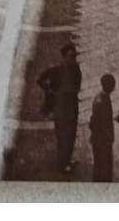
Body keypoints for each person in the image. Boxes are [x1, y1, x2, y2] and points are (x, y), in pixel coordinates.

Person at [37, 43, 83, 173]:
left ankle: (67, 161)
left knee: (71, 135)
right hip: (61, 108)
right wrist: (50, 91)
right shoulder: (56, 71)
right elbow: (40, 80)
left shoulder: (76, 69)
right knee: (63, 136)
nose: (72, 59)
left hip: (72, 106)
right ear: (64, 57)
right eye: (70, 56)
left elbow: (78, 86)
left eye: (74, 56)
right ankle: (62, 165)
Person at [89, 73, 116, 183]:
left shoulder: (98, 98)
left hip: (99, 138)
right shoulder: (102, 102)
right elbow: (96, 122)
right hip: (102, 139)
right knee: (103, 165)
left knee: (99, 163)